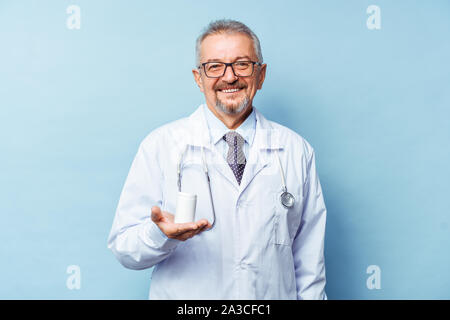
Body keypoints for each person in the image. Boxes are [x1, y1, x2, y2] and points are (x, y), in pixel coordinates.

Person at [107, 19, 327, 300]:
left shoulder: (296, 151)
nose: (230, 77)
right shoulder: (160, 146)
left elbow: (310, 264)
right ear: (198, 78)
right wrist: (161, 235)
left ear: (261, 75)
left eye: (242, 64)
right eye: (214, 66)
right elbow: (124, 248)